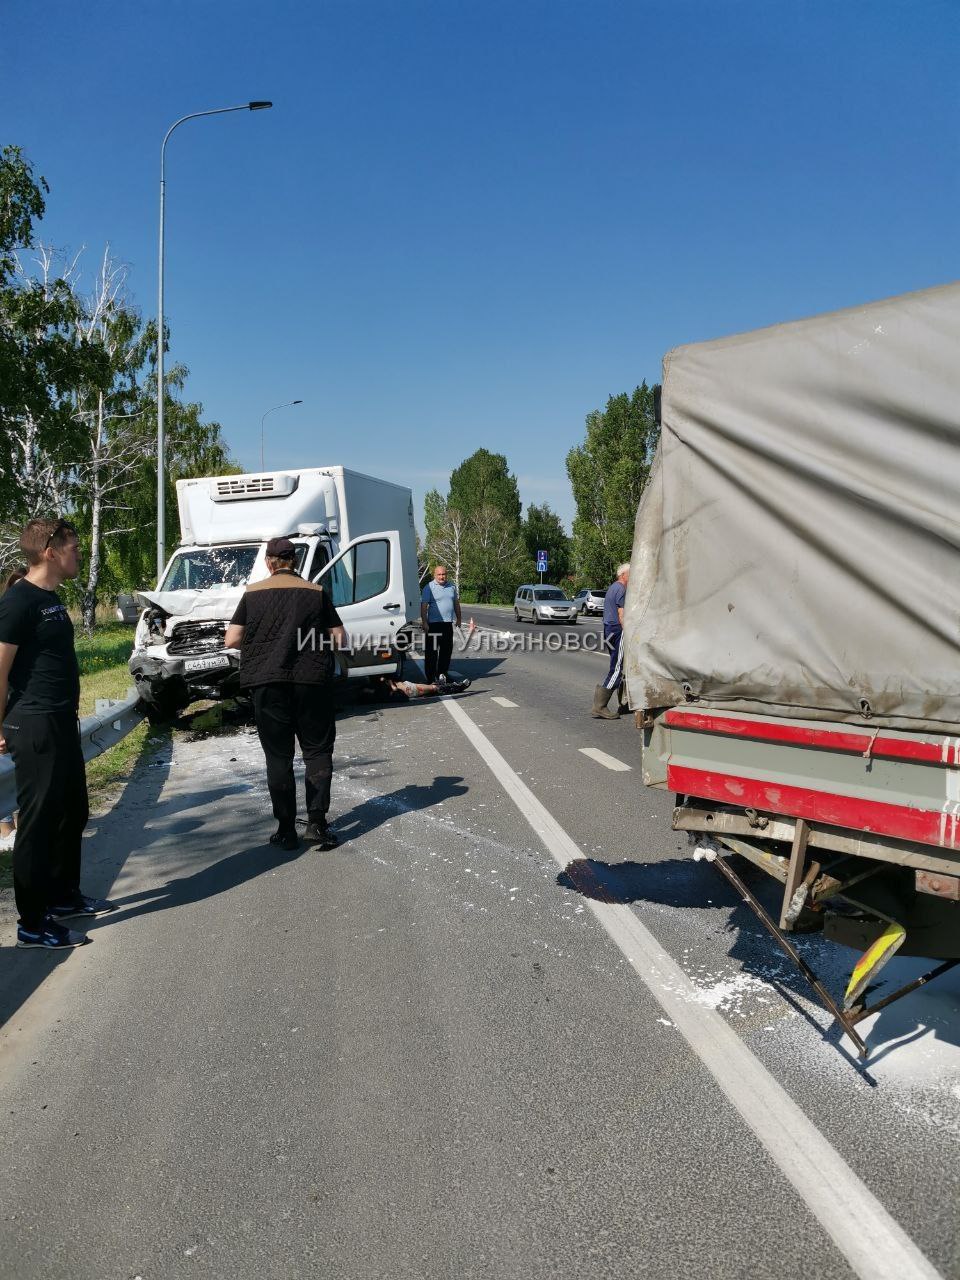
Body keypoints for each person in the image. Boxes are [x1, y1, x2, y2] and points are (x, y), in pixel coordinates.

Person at [0, 520, 115, 949]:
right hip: (33, 722)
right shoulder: (19, 601)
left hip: (61, 719)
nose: (79, 554)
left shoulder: (48, 599)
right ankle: (32, 922)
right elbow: (0, 667)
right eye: (73, 547)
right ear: (50, 551)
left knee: (73, 811)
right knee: (40, 825)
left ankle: (64, 897)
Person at [224, 536, 348, 851]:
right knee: (317, 752)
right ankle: (317, 824)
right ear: (294, 561)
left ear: (269, 562)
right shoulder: (316, 592)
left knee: (278, 757)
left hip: (267, 684)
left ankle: (286, 830)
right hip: (312, 683)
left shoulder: (252, 595)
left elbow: (232, 639)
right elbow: (340, 639)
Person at [591, 562, 630, 719]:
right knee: (617, 668)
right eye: (630, 574)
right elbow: (622, 614)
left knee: (622, 666)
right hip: (617, 630)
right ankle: (600, 706)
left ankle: (625, 704)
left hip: (608, 629)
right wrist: (628, 631)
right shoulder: (621, 589)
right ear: (622, 575)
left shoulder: (613, 587)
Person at [420, 564, 462, 684]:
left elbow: (456, 604)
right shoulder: (428, 587)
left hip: (447, 624)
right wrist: (424, 622)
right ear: (435, 575)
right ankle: (430, 678)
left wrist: (459, 619)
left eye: (443, 574)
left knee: (446, 651)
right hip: (433, 625)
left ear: (446, 575)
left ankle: (442, 674)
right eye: (439, 574)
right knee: (431, 652)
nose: (442, 577)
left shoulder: (452, 587)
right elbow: (424, 606)